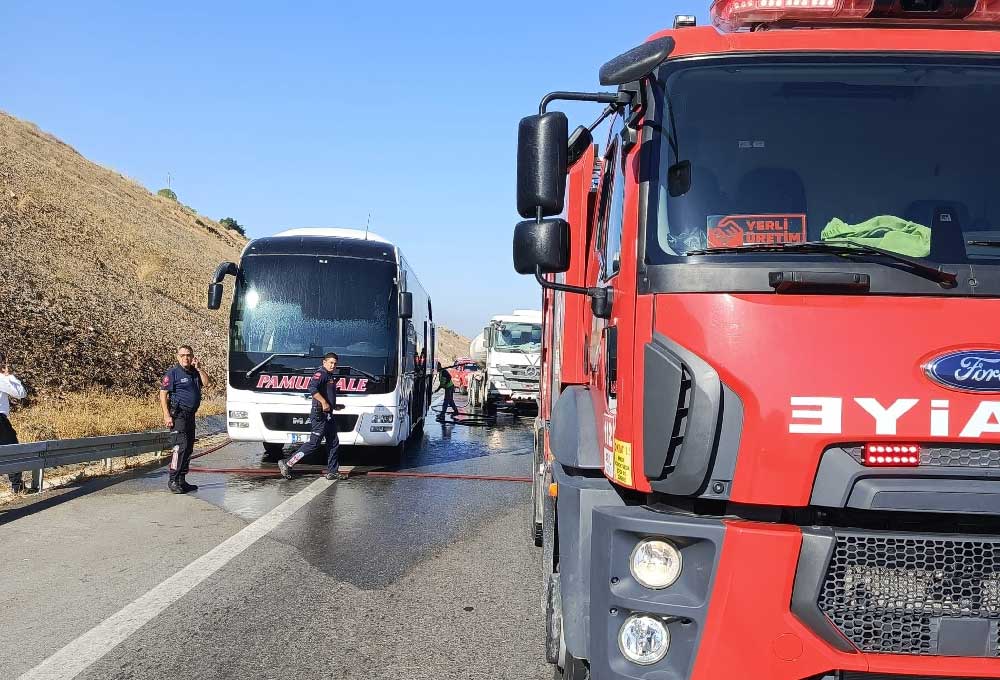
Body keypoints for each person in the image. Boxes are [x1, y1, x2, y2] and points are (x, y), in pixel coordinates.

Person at [278, 352, 346, 481]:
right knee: (314, 443)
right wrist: (324, 402)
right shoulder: (320, 374)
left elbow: (326, 394)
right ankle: (287, 463)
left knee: (333, 443)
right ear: (324, 362)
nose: (333, 365)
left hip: (328, 414)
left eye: (335, 363)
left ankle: (333, 471)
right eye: (330, 362)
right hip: (319, 414)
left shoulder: (329, 375)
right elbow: (312, 388)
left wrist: (333, 405)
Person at [160, 345, 211, 494]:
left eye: (188, 355)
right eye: (182, 355)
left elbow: (207, 383)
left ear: (192, 356)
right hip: (178, 416)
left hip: (190, 416)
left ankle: (182, 480)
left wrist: (199, 368)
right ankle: (173, 479)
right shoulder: (173, 373)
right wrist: (166, 415)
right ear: (178, 357)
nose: (185, 358)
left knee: (188, 448)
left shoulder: (195, 372)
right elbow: (163, 394)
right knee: (179, 448)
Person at [0, 355, 28, 493]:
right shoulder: (1, 379)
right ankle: (17, 486)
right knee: (12, 451)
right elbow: (20, 393)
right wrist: (9, 376)